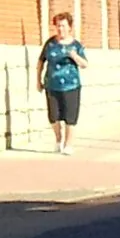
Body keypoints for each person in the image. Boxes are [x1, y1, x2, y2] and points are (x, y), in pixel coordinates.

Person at [38, 12, 88, 154]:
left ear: (70, 27)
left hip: (71, 86)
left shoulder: (76, 45)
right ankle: (58, 139)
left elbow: (85, 64)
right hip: (52, 85)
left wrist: (75, 56)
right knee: (53, 116)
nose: (61, 29)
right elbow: (41, 61)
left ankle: (68, 145)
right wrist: (38, 80)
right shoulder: (50, 43)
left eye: (63, 26)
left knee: (70, 117)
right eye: (58, 26)